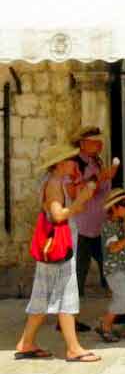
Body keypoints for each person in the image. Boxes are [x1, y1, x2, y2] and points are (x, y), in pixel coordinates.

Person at [14, 144, 101, 362]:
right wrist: (81, 199)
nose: (75, 163)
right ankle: (73, 348)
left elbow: (69, 210)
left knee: (42, 296)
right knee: (66, 295)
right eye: (72, 160)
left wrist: (81, 194)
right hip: (61, 249)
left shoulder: (55, 182)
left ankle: (26, 343)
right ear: (61, 163)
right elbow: (58, 215)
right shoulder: (53, 184)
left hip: (53, 248)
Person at [69, 126, 125, 329]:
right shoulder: (76, 164)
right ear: (83, 143)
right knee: (78, 273)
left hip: (99, 227)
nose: (99, 144)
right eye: (95, 141)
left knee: (115, 267)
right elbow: (78, 192)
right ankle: (69, 320)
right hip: (83, 228)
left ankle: (122, 310)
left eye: (100, 141)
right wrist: (102, 177)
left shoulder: (97, 161)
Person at [96, 189, 125, 342]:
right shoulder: (109, 225)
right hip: (113, 269)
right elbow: (113, 247)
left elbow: (122, 249)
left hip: (120, 267)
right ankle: (105, 325)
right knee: (123, 299)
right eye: (124, 204)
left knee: (120, 298)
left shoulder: (119, 223)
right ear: (113, 207)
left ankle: (107, 324)